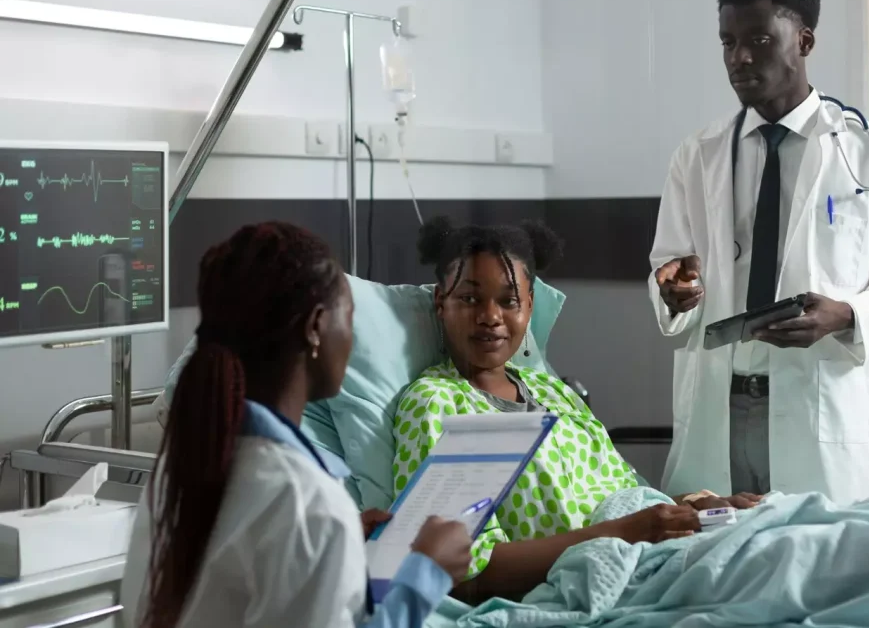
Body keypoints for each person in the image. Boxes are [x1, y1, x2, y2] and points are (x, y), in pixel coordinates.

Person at [649, 0, 869, 505]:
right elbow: (669, 265)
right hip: (721, 398)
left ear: (804, 40)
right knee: (712, 555)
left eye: (759, 39)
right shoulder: (698, 155)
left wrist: (846, 314)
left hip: (815, 397)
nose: (739, 57)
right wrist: (674, 289)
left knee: (817, 562)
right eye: (728, 41)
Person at [121, 222, 473, 628]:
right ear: (315, 327)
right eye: (351, 318)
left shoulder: (180, 468)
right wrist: (426, 574)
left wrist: (336, 548)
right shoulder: (309, 504)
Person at [393, 216, 761, 604]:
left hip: (651, 550)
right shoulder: (435, 403)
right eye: (469, 299)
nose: (491, 316)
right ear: (440, 302)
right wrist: (624, 532)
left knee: (789, 526)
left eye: (509, 300)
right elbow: (463, 574)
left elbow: (622, 493)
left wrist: (693, 507)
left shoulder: (552, 391)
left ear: (530, 305)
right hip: (604, 576)